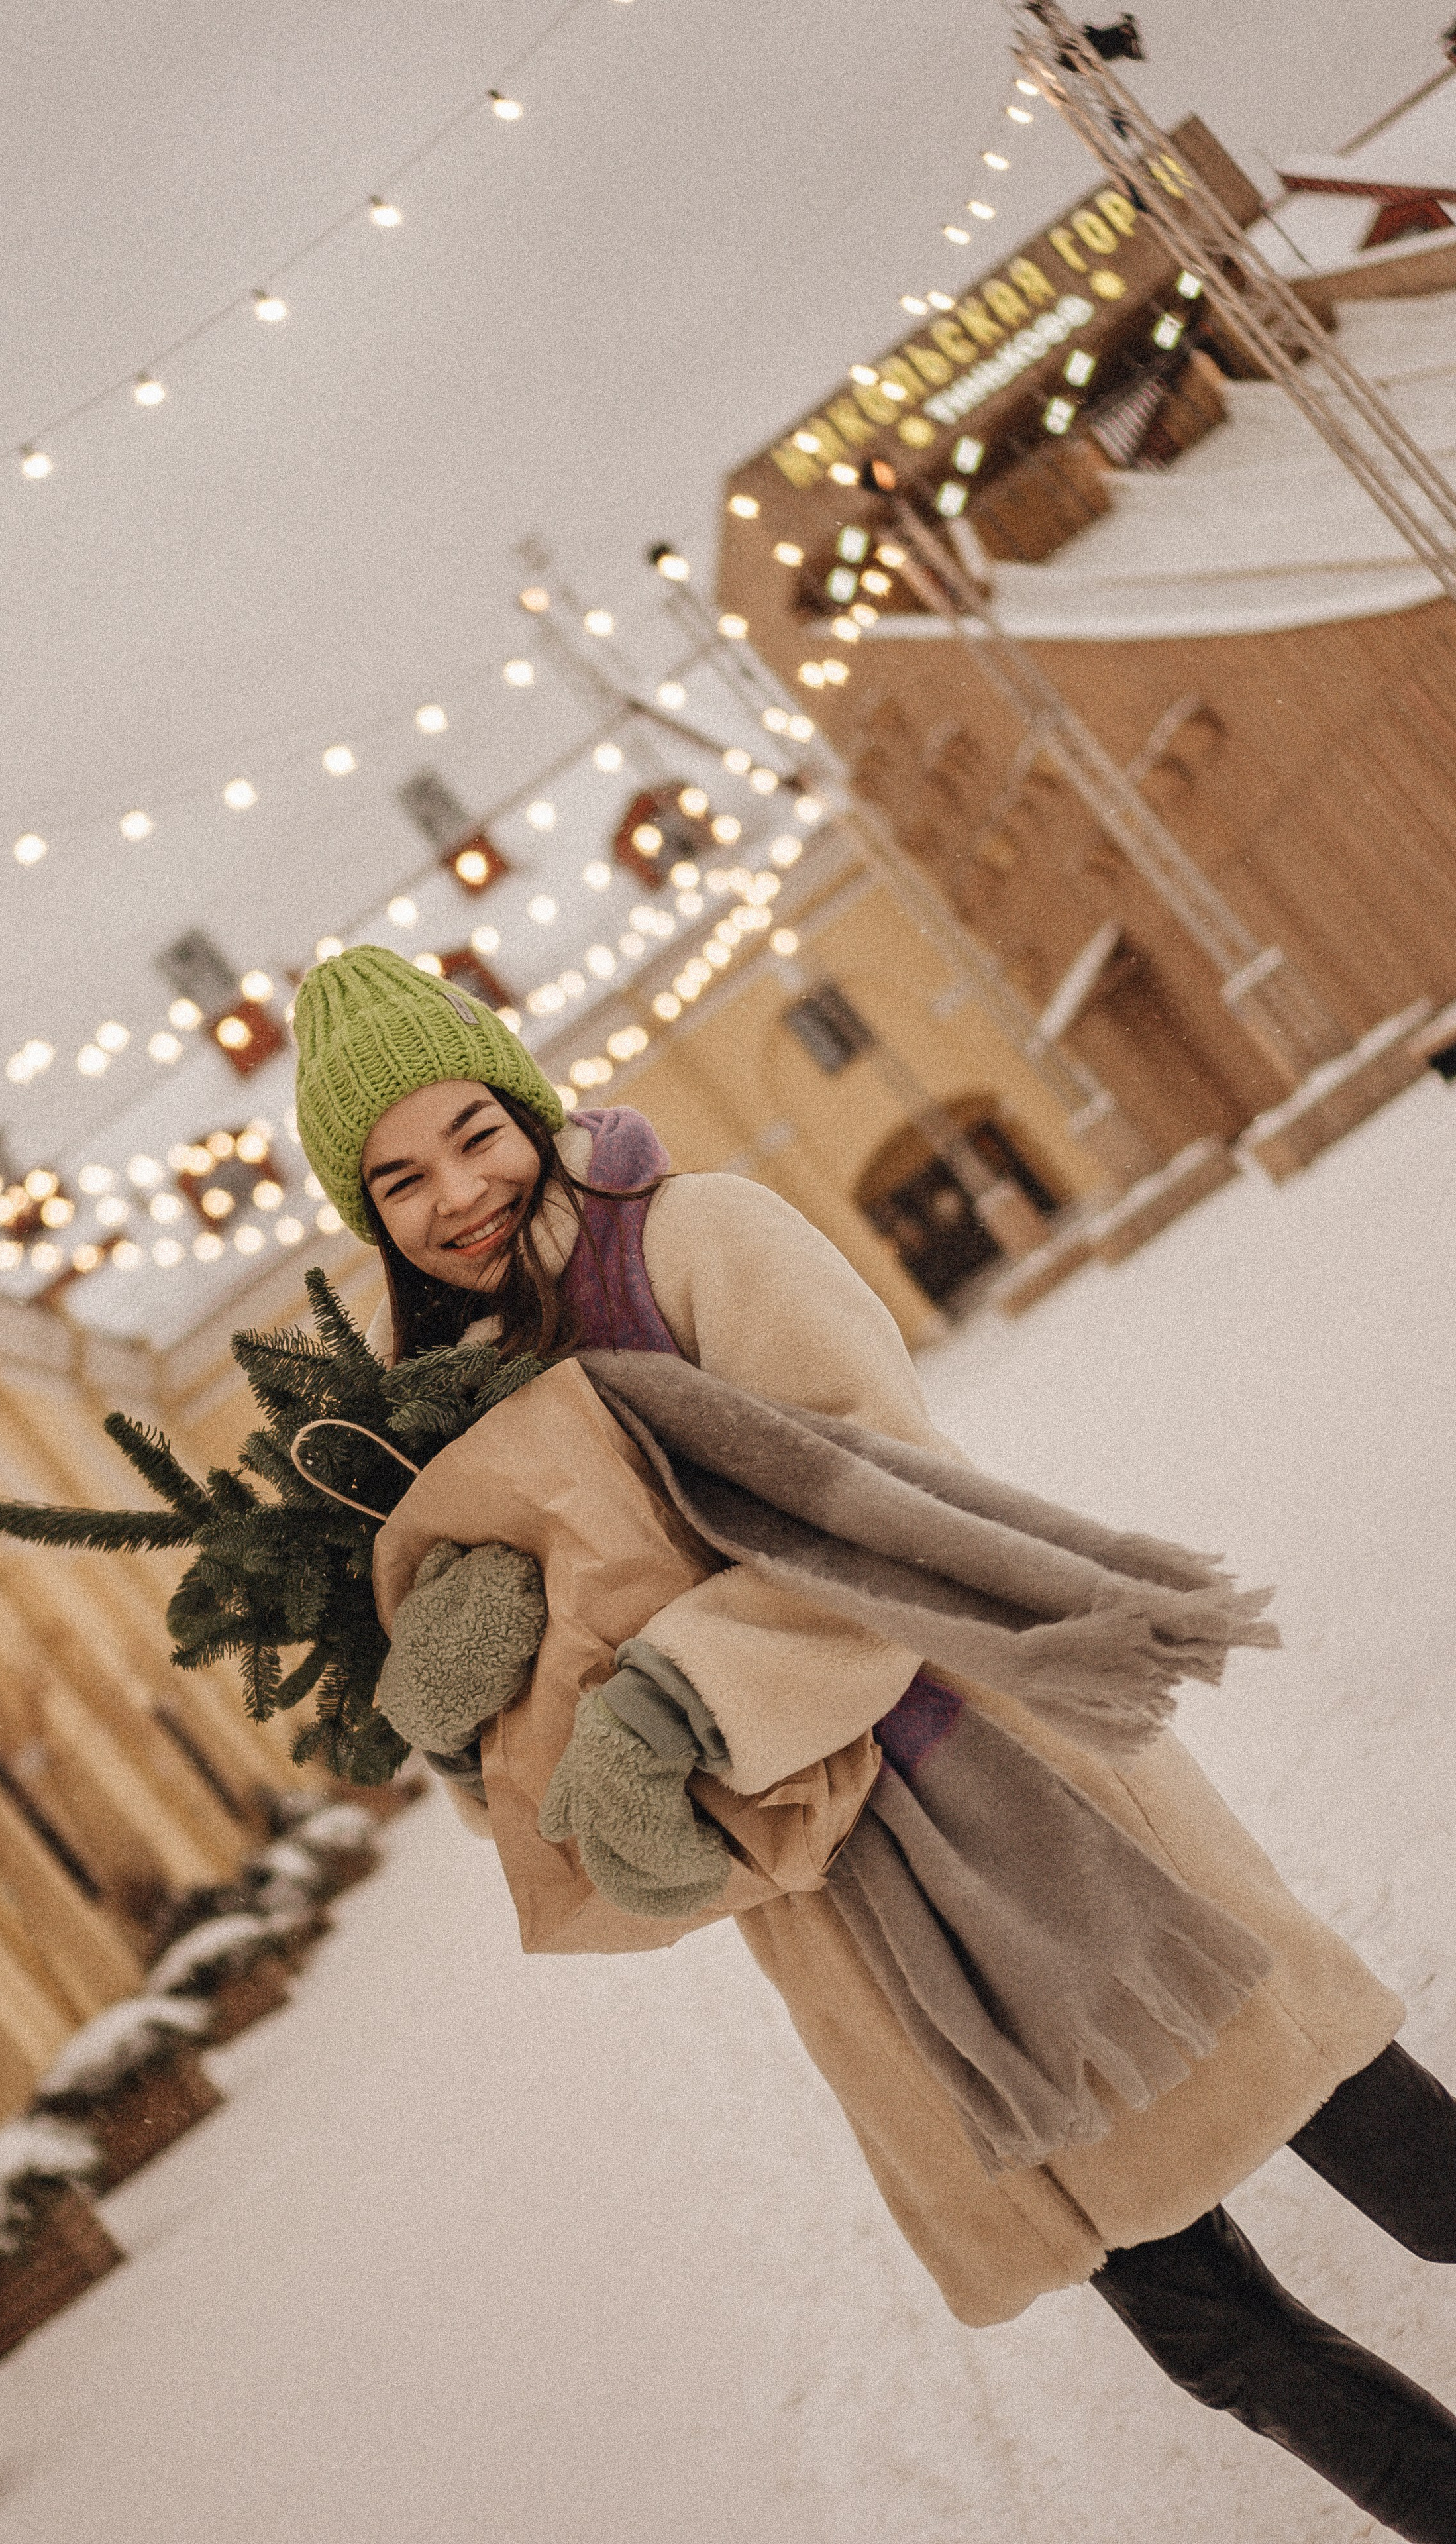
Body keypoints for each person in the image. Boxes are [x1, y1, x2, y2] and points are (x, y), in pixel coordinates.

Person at [293, 945, 1456, 2539]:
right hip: (838, 1898)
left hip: (999, 1776)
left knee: (1381, 2141)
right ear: (373, 1221)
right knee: (1202, 2336)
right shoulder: (449, 1415)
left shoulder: (692, 1239)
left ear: (523, 1106)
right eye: (398, 1180)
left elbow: (881, 1494)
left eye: (471, 1136)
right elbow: (537, 1728)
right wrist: (457, 1692)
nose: (455, 1196)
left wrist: (676, 1691)